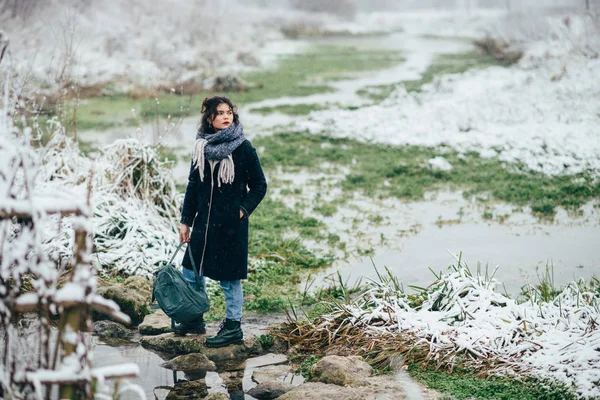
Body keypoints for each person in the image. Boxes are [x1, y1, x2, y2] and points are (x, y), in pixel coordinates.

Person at [176, 96, 267, 347]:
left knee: (229, 278)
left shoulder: (243, 148)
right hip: (204, 223)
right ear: (210, 119)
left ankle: (233, 327)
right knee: (191, 271)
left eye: (229, 112)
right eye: (220, 113)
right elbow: (193, 186)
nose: (226, 116)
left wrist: (241, 211)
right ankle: (195, 318)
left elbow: (259, 186)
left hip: (230, 227)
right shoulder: (201, 147)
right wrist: (186, 221)